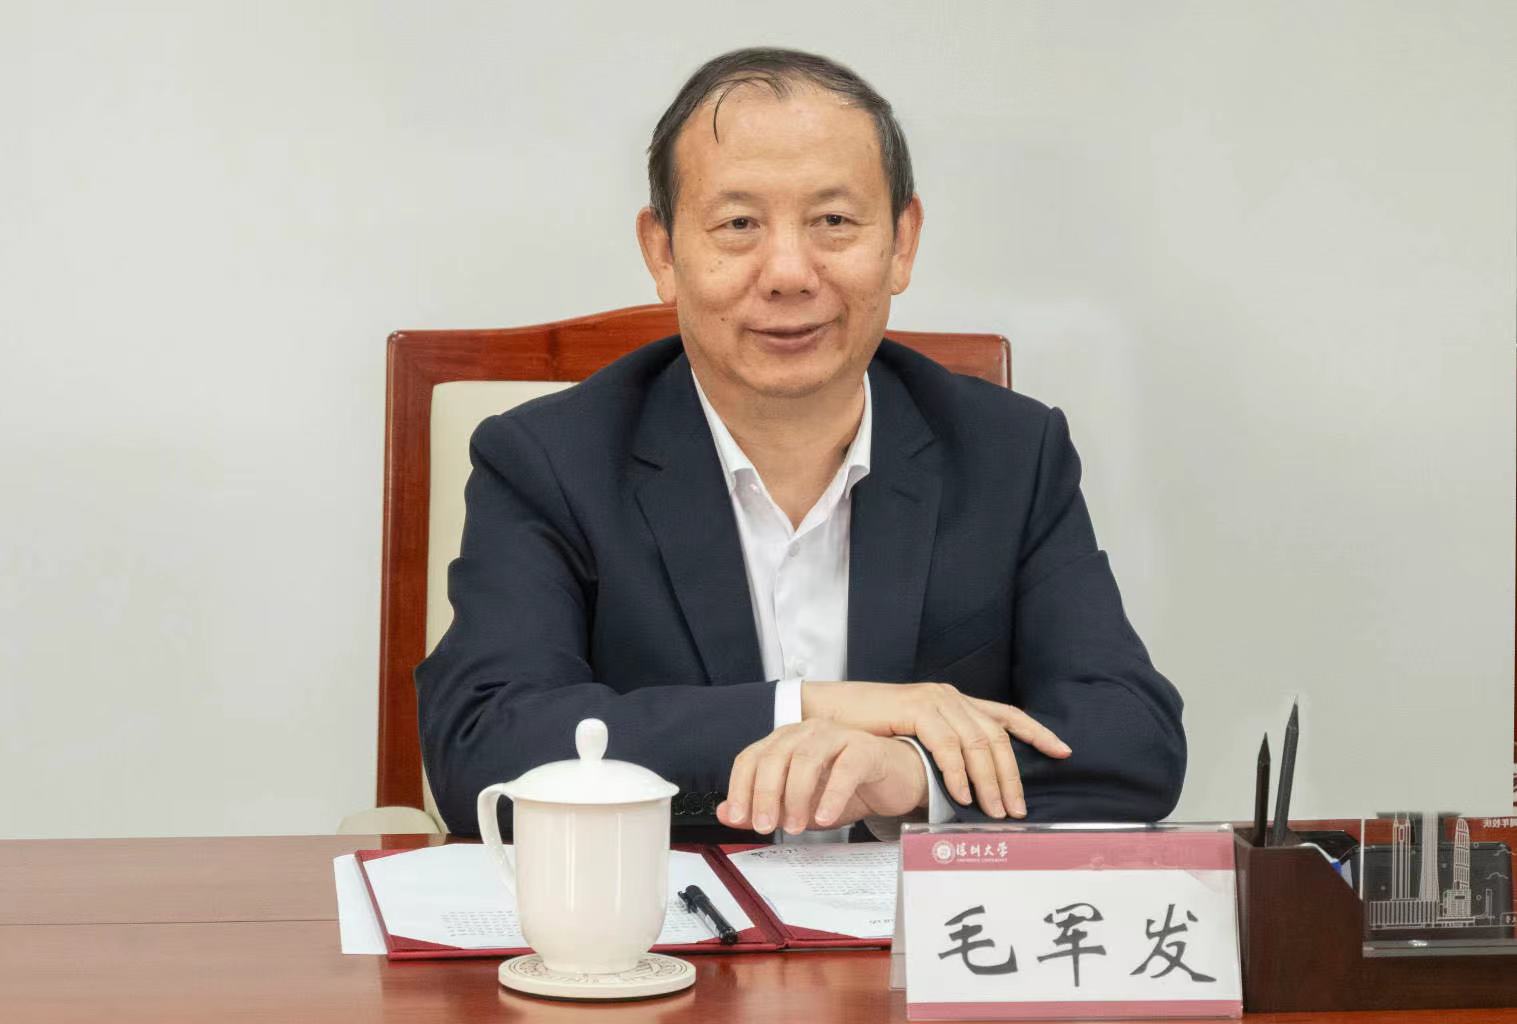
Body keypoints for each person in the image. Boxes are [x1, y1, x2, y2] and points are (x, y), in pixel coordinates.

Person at [416, 47, 1185, 839]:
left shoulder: (1009, 454)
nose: (788, 272)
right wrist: (811, 708)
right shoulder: (548, 460)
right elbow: (485, 747)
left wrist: (909, 772)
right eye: (738, 224)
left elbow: (1132, 740)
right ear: (662, 252)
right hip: (664, 913)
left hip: (909, 920)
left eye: (833, 222)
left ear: (902, 242)